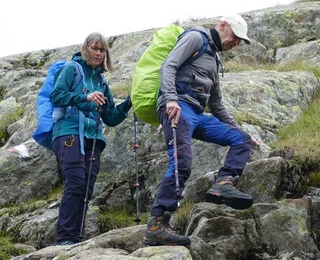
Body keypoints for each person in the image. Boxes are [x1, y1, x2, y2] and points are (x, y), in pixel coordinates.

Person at [145, 15, 259, 247]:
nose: (236, 43)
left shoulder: (215, 60)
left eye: (240, 41)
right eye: (235, 37)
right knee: (182, 162)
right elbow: (169, 65)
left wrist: (239, 130)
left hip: (196, 113)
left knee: (241, 140)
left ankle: (224, 184)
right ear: (223, 25)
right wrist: (170, 99)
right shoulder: (196, 38)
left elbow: (216, 104)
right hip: (179, 107)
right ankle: (156, 225)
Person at [49, 32, 131, 246]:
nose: (98, 53)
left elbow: (110, 117)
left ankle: (75, 237)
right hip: (69, 132)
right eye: (94, 48)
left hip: (93, 138)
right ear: (85, 49)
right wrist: (84, 97)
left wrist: (130, 102)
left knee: (86, 188)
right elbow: (56, 96)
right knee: (76, 183)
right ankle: (64, 238)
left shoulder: (101, 82)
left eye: (102, 50)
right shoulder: (72, 69)